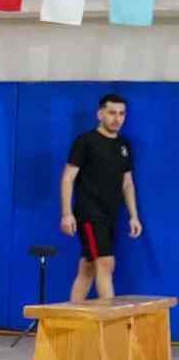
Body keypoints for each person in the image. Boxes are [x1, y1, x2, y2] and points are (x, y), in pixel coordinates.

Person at [61, 94, 141, 301]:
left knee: (87, 268)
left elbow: (127, 183)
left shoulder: (124, 146)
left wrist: (134, 216)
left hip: (111, 215)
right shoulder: (85, 142)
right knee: (106, 264)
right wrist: (67, 214)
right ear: (100, 114)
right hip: (89, 213)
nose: (117, 118)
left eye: (122, 114)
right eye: (112, 113)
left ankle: (74, 322)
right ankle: (109, 327)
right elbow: (68, 178)